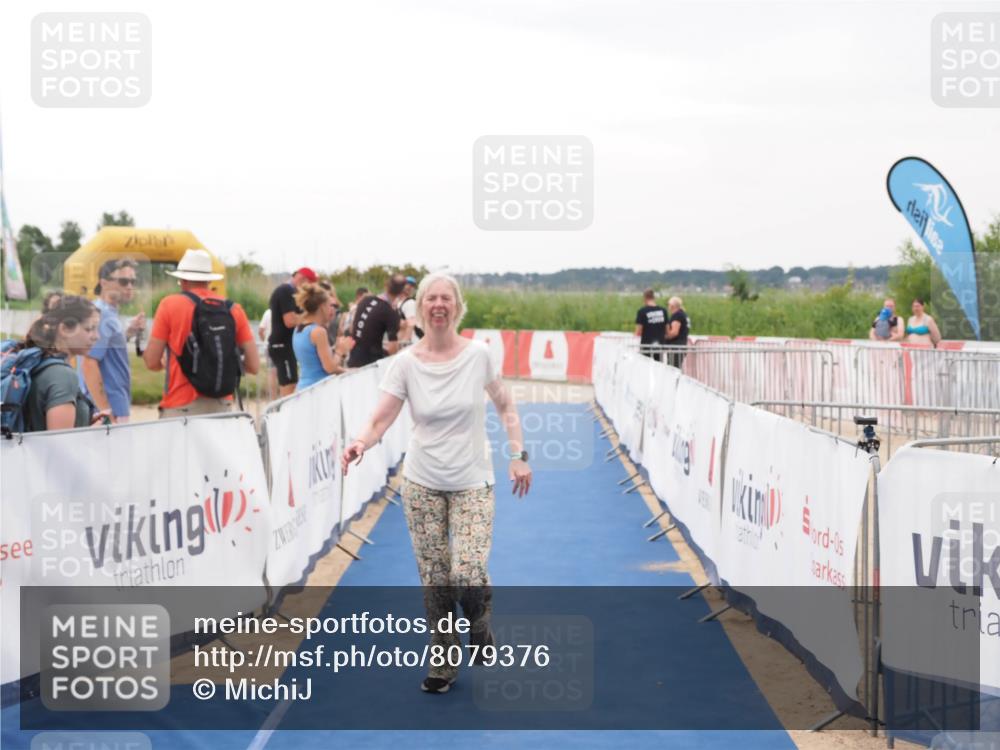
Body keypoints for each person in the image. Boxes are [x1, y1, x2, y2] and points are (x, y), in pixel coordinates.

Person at [341, 272, 531, 694]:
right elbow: (382, 417)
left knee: (466, 571)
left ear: (457, 306)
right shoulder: (406, 363)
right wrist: (360, 442)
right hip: (422, 482)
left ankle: (480, 626)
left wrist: (518, 455)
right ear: (420, 307)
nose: (439, 305)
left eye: (446, 298)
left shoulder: (479, 355)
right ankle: (444, 662)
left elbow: (505, 404)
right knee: (436, 579)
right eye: (431, 298)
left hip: (472, 480)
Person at [142, 249, 259, 418]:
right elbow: (254, 365)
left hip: (180, 406)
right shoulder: (233, 309)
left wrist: (164, 364)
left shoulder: (169, 305)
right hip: (222, 405)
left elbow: (151, 361)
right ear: (208, 280)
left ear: (182, 280)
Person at [20, 296, 108, 431]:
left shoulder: (36, 361)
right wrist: (93, 432)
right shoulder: (63, 375)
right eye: (89, 329)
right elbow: (61, 445)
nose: (97, 336)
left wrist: (83, 420)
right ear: (64, 329)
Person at [82, 258, 145, 424]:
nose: (130, 286)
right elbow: (89, 363)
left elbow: (104, 350)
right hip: (110, 408)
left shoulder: (102, 311)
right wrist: (105, 411)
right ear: (104, 283)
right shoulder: (103, 316)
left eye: (133, 281)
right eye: (123, 281)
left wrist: (128, 333)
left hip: (109, 405)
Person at [267, 267, 317, 397]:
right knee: (288, 387)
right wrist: (310, 316)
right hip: (282, 345)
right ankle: (282, 416)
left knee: (289, 384)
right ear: (303, 280)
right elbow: (289, 321)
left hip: (283, 345)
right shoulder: (286, 290)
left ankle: (280, 413)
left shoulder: (286, 290)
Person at [292, 282, 352, 389]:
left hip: (303, 387)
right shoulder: (318, 332)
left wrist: (348, 371)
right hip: (318, 389)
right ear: (322, 307)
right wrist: (340, 351)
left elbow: (316, 364)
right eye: (330, 305)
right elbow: (329, 368)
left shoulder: (298, 328)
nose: (333, 310)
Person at [347, 274, 405, 368]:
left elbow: (351, 329)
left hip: (353, 361)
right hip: (371, 366)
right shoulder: (391, 312)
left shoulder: (365, 300)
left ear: (386, 284)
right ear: (402, 292)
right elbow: (392, 348)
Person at [634, 289, 668, 361]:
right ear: (654, 297)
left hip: (646, 346)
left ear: (645, 298)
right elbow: (667, 330)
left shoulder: (642, 311)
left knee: (645, 367)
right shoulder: (663, 311)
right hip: (660, 345)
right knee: (659, 367)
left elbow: (638, 331)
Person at [664, 296, 691, 369]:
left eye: (668, 305)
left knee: (672, 371)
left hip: (676, 348)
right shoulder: (683, 314)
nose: (668, 307)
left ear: (672, 306)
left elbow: (674, 333)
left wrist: (663, 337)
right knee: (675, 369)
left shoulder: (677, 315)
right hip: (680, 347)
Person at [257, 308, 278, 401]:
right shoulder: (284, 311)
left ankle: (272, 399)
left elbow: (261, 330)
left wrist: (263, 340)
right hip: (282, 345)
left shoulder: (268, 312)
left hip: (269, 346)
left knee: (271, 373)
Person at [398, 275, 422, 345]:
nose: (409, 287)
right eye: (407, 284)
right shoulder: (399, 303)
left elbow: (410, 325)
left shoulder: (410, 303)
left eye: (412, 285)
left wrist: (405, 343)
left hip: (412, 343)